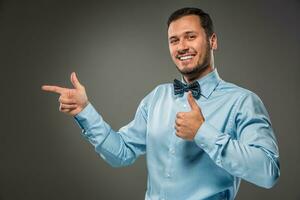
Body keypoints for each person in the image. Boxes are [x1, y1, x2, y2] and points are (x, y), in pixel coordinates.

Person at [42, 7, 280, 200]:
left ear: (212, 40)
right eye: (174, 40)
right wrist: (85, 111)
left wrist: (203, 133)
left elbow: (268, 172)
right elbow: (121, 153)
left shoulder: (242, 101)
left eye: (190, 37)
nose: (182, 46)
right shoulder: (156, 97)